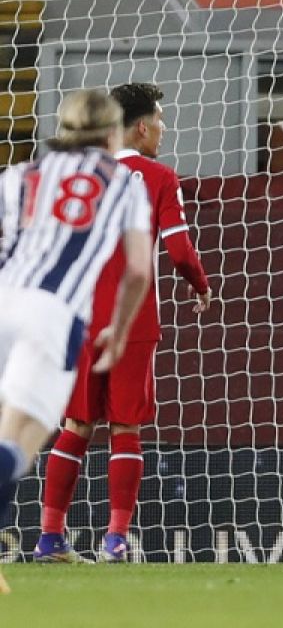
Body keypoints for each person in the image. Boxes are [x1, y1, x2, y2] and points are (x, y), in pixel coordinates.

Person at [33, 83, 211, 564]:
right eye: (162, 120)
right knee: (126, 427)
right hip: (132, 319)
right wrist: (201, 285)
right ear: (142, 126)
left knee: (75, 424)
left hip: (78, 316)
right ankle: (115, 540)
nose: (165, 129)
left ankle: (50, 538)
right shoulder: (158, 177)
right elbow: (178, 250)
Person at [0, 89, 152, 592]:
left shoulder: (19, 175)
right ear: (114, 133)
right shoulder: (122, 182)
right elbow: (137, 269)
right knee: (19, 445)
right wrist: (121, 327)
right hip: (53, 316)